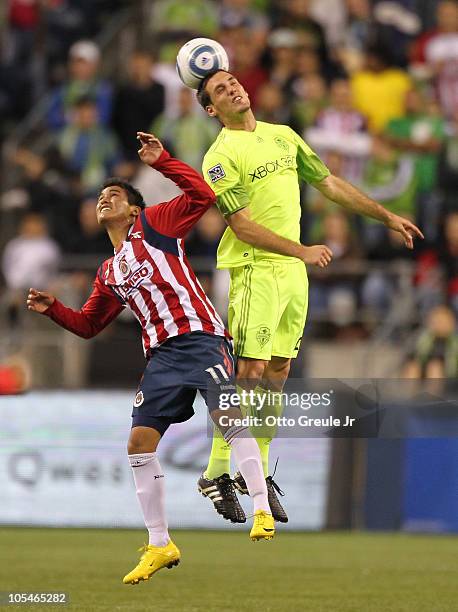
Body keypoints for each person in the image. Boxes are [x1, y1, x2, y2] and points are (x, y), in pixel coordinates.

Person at [27, 132, 276, 586]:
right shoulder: (109, 270)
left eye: (114, 195)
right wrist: (54, 310)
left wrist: (163, 162)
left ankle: (261, 508)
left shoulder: (157, 224)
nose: (104, 200)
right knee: (139, 443)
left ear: (135, 209)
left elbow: (202, 195)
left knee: (228, 417)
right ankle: (160, 543)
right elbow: (88, 325)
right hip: (162, 356)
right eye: (101, 196)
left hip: (200, 338)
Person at [196, 68, 423, 524]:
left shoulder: (283, 136)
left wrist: (385, 215)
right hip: (255, 270)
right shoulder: (219, 157)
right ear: (210, 109)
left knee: (278, 372)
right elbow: (240, 226)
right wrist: (300, 249)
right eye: (220, 89)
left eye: (233, 81)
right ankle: (216, 471)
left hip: (292, 276)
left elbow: (330, 183)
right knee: (249, 372)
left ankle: (252, 470)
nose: (233, 87)